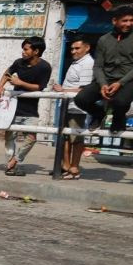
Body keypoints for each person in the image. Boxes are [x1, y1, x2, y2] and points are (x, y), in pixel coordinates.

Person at [0, 36, 52, 176]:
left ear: (36, 51)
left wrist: (20, 83)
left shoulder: (44, 67)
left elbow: (39, 87)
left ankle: (15, 160)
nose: (23, 52)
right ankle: (11, 166)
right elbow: (8, 73)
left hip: (31, 110)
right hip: (14, 108)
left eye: (26, 49)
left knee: (31, 138)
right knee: (9, 137)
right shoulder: (18, 63)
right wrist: (0, 86)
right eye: (23, 49)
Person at [74, 4, 133, 135]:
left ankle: (118, 119)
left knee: (121, 102)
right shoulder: (103, 39)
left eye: (131, 20)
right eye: (125, 20)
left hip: (128, 80)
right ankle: (98, 113)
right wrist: (102, 84)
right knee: (81, 99)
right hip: (106, 80)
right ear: (114, 21)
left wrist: (120, 83)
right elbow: (98, 66)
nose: (128, 24)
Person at [53, 37, 95, 180]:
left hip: (77, 107)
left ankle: (74, 168)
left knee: (76, 138)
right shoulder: (78, 62)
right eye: (72, 49)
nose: (73, 51)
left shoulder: (88, 64)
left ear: (87, 48)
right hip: (68, 105)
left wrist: (62, 89)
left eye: (77, 48)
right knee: (66, 137)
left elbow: (84, 89)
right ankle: (66, 165)